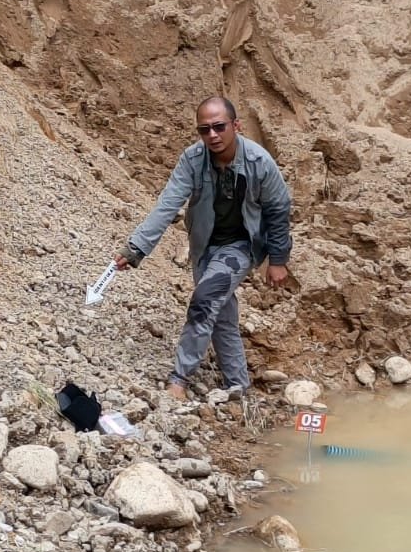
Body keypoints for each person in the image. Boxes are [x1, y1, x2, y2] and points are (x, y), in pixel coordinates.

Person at [115, 96, 292, 400]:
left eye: (219, 127)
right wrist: (136, 248)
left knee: (204, 300)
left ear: (236, 126)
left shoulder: (259, 162)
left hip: (242, 245)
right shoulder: (193, 160)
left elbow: (279, 210)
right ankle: (238, 386)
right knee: (219, 312)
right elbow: (167, 205)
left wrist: (278, 259)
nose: (212, 135)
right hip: (204, 243)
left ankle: (179, 380)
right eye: (204, 129)